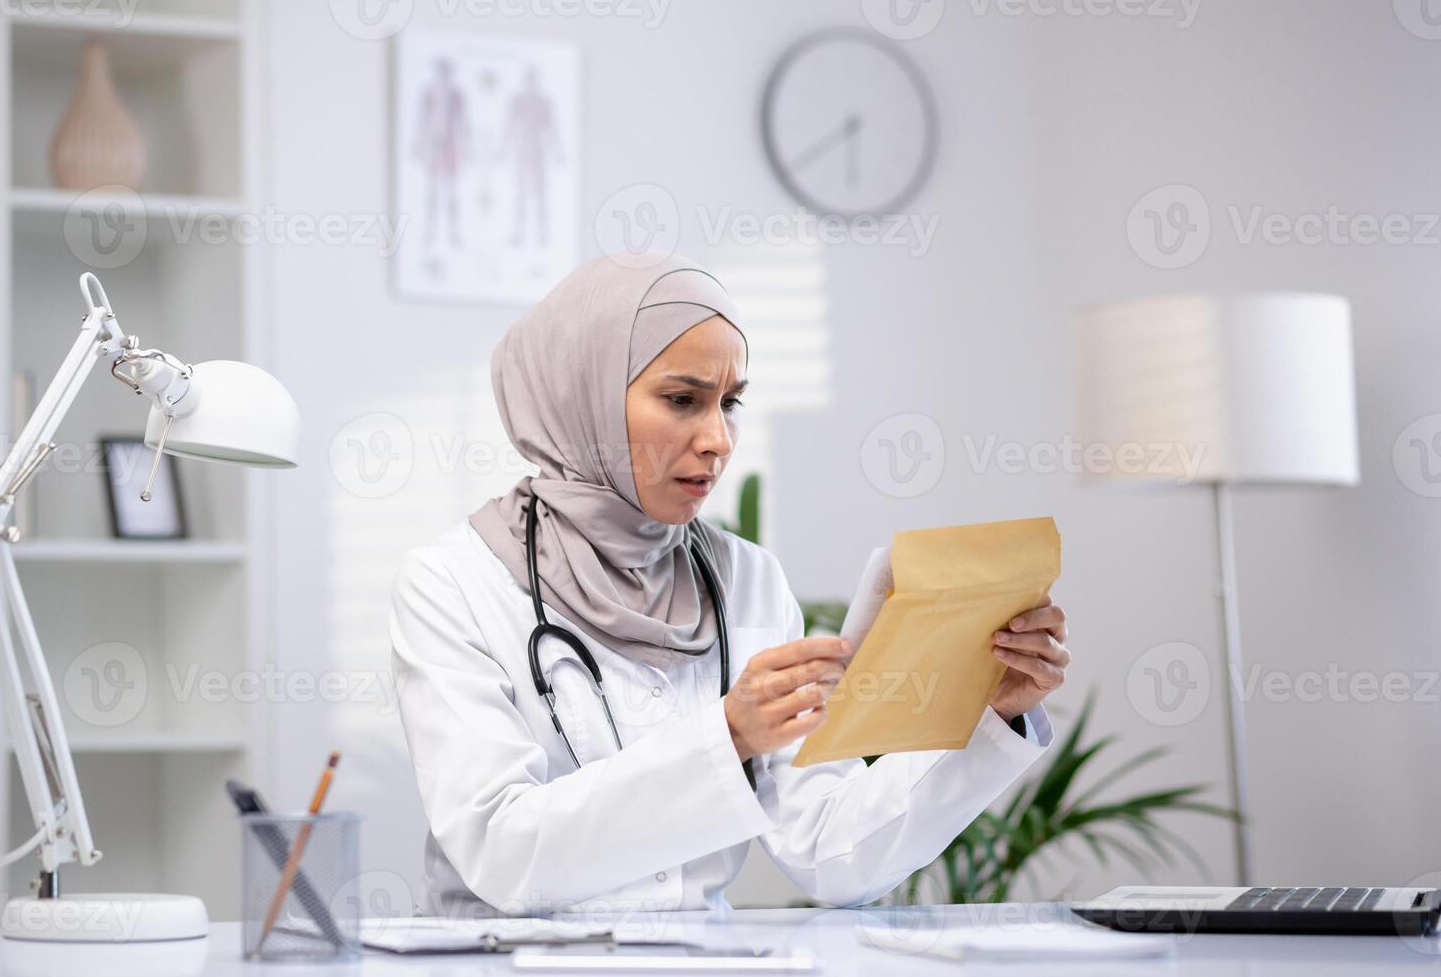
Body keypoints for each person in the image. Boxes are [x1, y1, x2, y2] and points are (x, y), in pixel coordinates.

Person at [389, 252, 1072, 917]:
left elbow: (831, 851)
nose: (718, 438)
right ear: (583, 395)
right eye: (683, 399)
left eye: (731, 402)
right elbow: (501, 852)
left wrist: (993, 713)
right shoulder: (454, 583)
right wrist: (725, 738)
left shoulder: (746, 579)